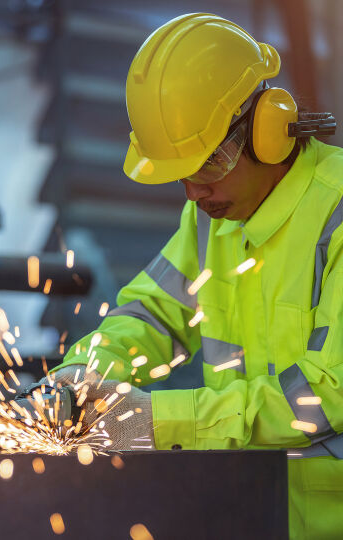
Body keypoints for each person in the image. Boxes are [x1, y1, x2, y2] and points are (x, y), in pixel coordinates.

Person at [47, 13, 341, 539]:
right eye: (181, 174)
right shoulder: (211, 221)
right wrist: (80, 377)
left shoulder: (336, 215)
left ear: (269, 130)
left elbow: (328, 394)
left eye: (208, 164)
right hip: (246, 514)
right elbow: (151, 316)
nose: (192, 193)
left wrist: (157, 422)